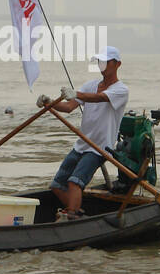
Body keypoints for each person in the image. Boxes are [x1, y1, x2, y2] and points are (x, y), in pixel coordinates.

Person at [38, 46, 129, 219]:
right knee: (57, 185)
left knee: (74, 182)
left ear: (117, 64)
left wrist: (76, 93)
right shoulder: (91, 85)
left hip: (99, 148)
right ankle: (76, 212)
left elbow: (100, 98)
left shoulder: (121, 90)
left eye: (106, 62)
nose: (102, 65)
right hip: (82, 144)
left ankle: (71, 213)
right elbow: (68, 107)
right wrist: (49, 103)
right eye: (100, 62)